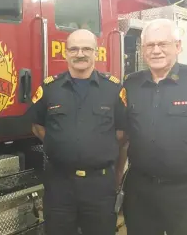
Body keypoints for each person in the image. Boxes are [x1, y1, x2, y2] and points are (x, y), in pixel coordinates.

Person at [27, 29, 128, 235]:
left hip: (99, 186)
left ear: (96, 53)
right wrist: (61, 143)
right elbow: (37, 126)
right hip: (59, 185)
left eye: (86, 49)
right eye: (74, 49)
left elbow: (122, 133)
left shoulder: (114, 89)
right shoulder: (49, 88)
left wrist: (97, 148)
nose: (80, 54)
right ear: (65, 53)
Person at [122, 18, 187, 235]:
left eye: (163, 44)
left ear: (178, 46)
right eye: (150, 45)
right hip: (141, 192)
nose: (156, 50)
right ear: (143, 49)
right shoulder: (131, 84)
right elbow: (123, 135)